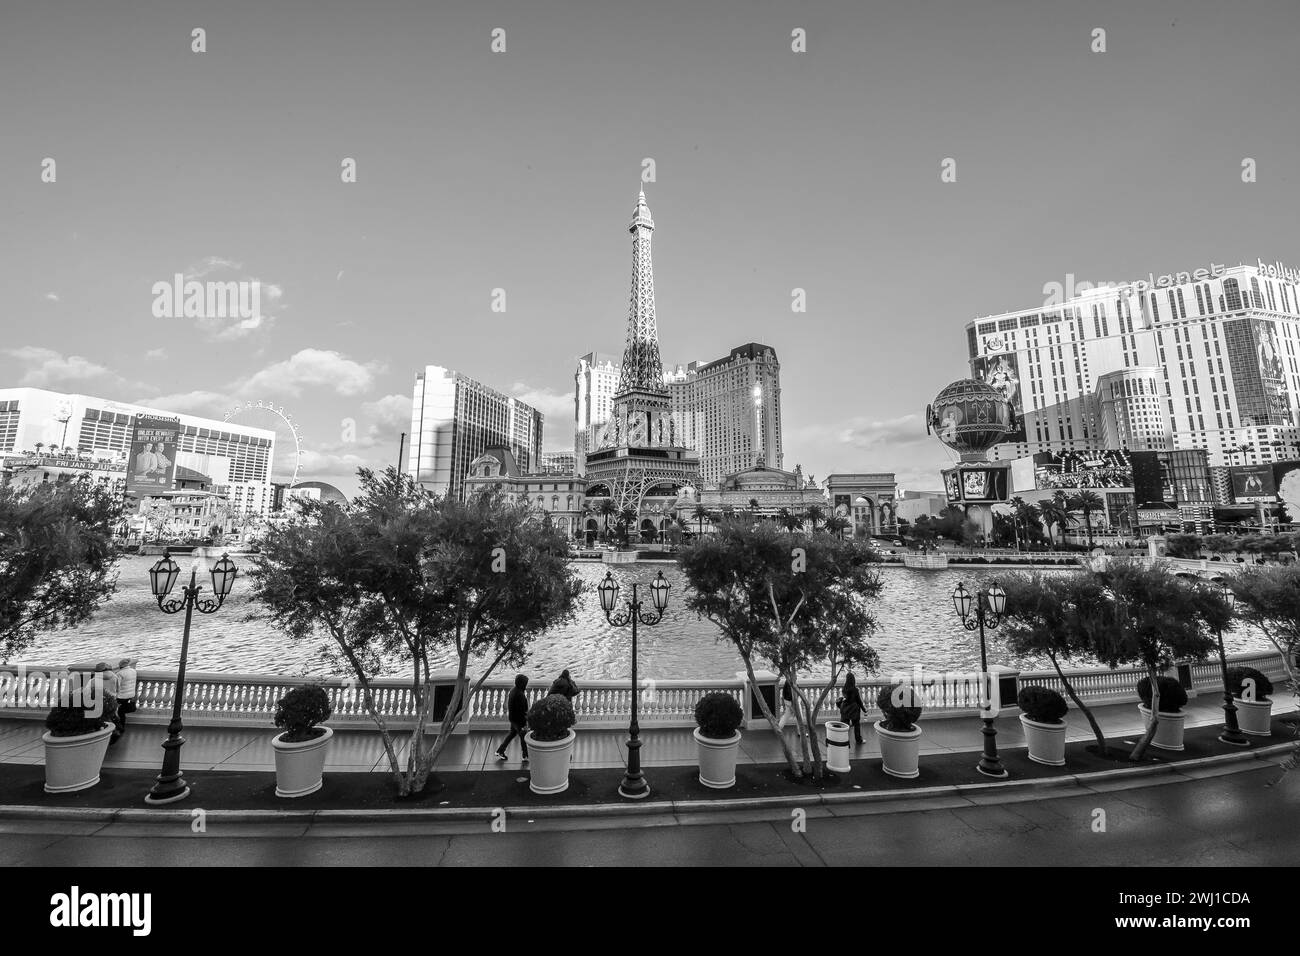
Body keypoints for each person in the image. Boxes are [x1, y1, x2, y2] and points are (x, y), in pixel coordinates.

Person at [495, 674, 530, 763]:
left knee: (512, 734)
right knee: (523, 737)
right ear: (523, 684)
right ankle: (525, 755)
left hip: (513, 718)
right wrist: (524, 723)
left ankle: (500, 751)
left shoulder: (513, 691)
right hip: (519, 720)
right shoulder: (520, 695)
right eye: (526, 683)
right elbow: (522, 711)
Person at [95, 662, 121, 744]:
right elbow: (118, 689)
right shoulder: (115, 676)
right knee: (113, 717)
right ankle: (114, 733)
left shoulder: (94, 679)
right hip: (112, 700)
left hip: (99, 700)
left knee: (101, 718)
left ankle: (103, 736)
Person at [837, 671, 866, 745]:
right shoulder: (855, 690)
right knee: (856, 725)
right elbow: (858, 701)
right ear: (853, 680)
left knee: (844, 726)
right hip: (854, 710)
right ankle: (858, 740)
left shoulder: (844, 689)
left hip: (845, 709)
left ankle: (843, 741)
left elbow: (845, 699)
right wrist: (864, 709)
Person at [115, 658, 138, 736]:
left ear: (120, 666)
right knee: (123, 711)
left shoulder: (119, 673)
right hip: (131, 695)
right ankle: (121, 726)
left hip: (122, 696)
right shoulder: (133, 671)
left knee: (120, 712)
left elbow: (117, 686)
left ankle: (121, 727)